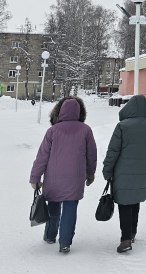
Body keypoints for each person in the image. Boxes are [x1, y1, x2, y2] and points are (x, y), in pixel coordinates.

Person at [102, 95, 146, 254]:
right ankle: (132, 232)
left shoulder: (122, 126)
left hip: (123, 172)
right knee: (134, 200)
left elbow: (113, 151)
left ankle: (125, 239)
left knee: (125, 203)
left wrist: (107, 170)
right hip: (143, 172)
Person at [29, 97, 97, 254]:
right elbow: (91, 155)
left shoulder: (53, 131)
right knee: (70, 209)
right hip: (76, 178)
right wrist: (90, 173)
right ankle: (65, 242)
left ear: (60, 112)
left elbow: (42, 156)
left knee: (53, 208)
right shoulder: (85, 130)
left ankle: (50, 235)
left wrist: (35, 177)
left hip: (54, 179)